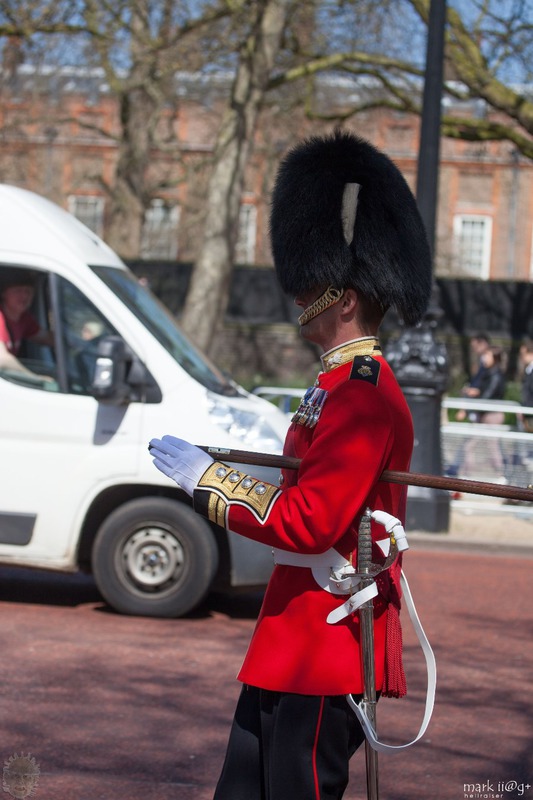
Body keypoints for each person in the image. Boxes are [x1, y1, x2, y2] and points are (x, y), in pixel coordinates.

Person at [149, 130, 432, 800]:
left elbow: (310, 522)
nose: (296, 306)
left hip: (327, 642)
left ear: (344, 300)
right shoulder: (336, 385)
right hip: (295, 633)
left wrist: (208, 481)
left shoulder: (362, 395)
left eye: (308, 291)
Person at [0, 268, 54, 379]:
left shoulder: (24, 318)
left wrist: (77, 342)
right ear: (4, 293)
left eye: (28, 291)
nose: (24, 296)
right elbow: (2, 360)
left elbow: (46, 338)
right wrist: (35, 379)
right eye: (18, 291)